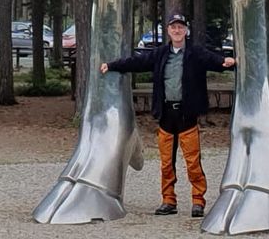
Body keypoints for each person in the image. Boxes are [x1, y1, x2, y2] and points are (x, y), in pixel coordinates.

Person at [98, 13, 235, 219]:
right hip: (166, 115)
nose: (177, 31)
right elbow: (137, 62)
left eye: (180, 27)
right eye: (173, 27)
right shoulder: (160, 54)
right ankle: (168, 200)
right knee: (166, 163)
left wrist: (227, 61)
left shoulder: (195, 53)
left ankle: (198, 201)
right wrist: (112, 65)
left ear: (186, 30)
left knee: (193, 162)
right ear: (169, 31)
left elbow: (215, 60)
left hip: (187, 115)